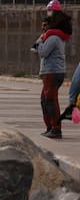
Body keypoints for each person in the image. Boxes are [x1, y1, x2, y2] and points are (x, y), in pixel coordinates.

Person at [38, 8, 70, 138]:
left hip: (52, 72)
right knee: (45, 100)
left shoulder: (53, 37)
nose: (43, 28)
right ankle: (51, 127)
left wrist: (40, 42)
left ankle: (56, 129)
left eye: (45, 25)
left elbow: (43, 52)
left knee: (50, 100)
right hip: (51, 71)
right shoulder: (53, 36)